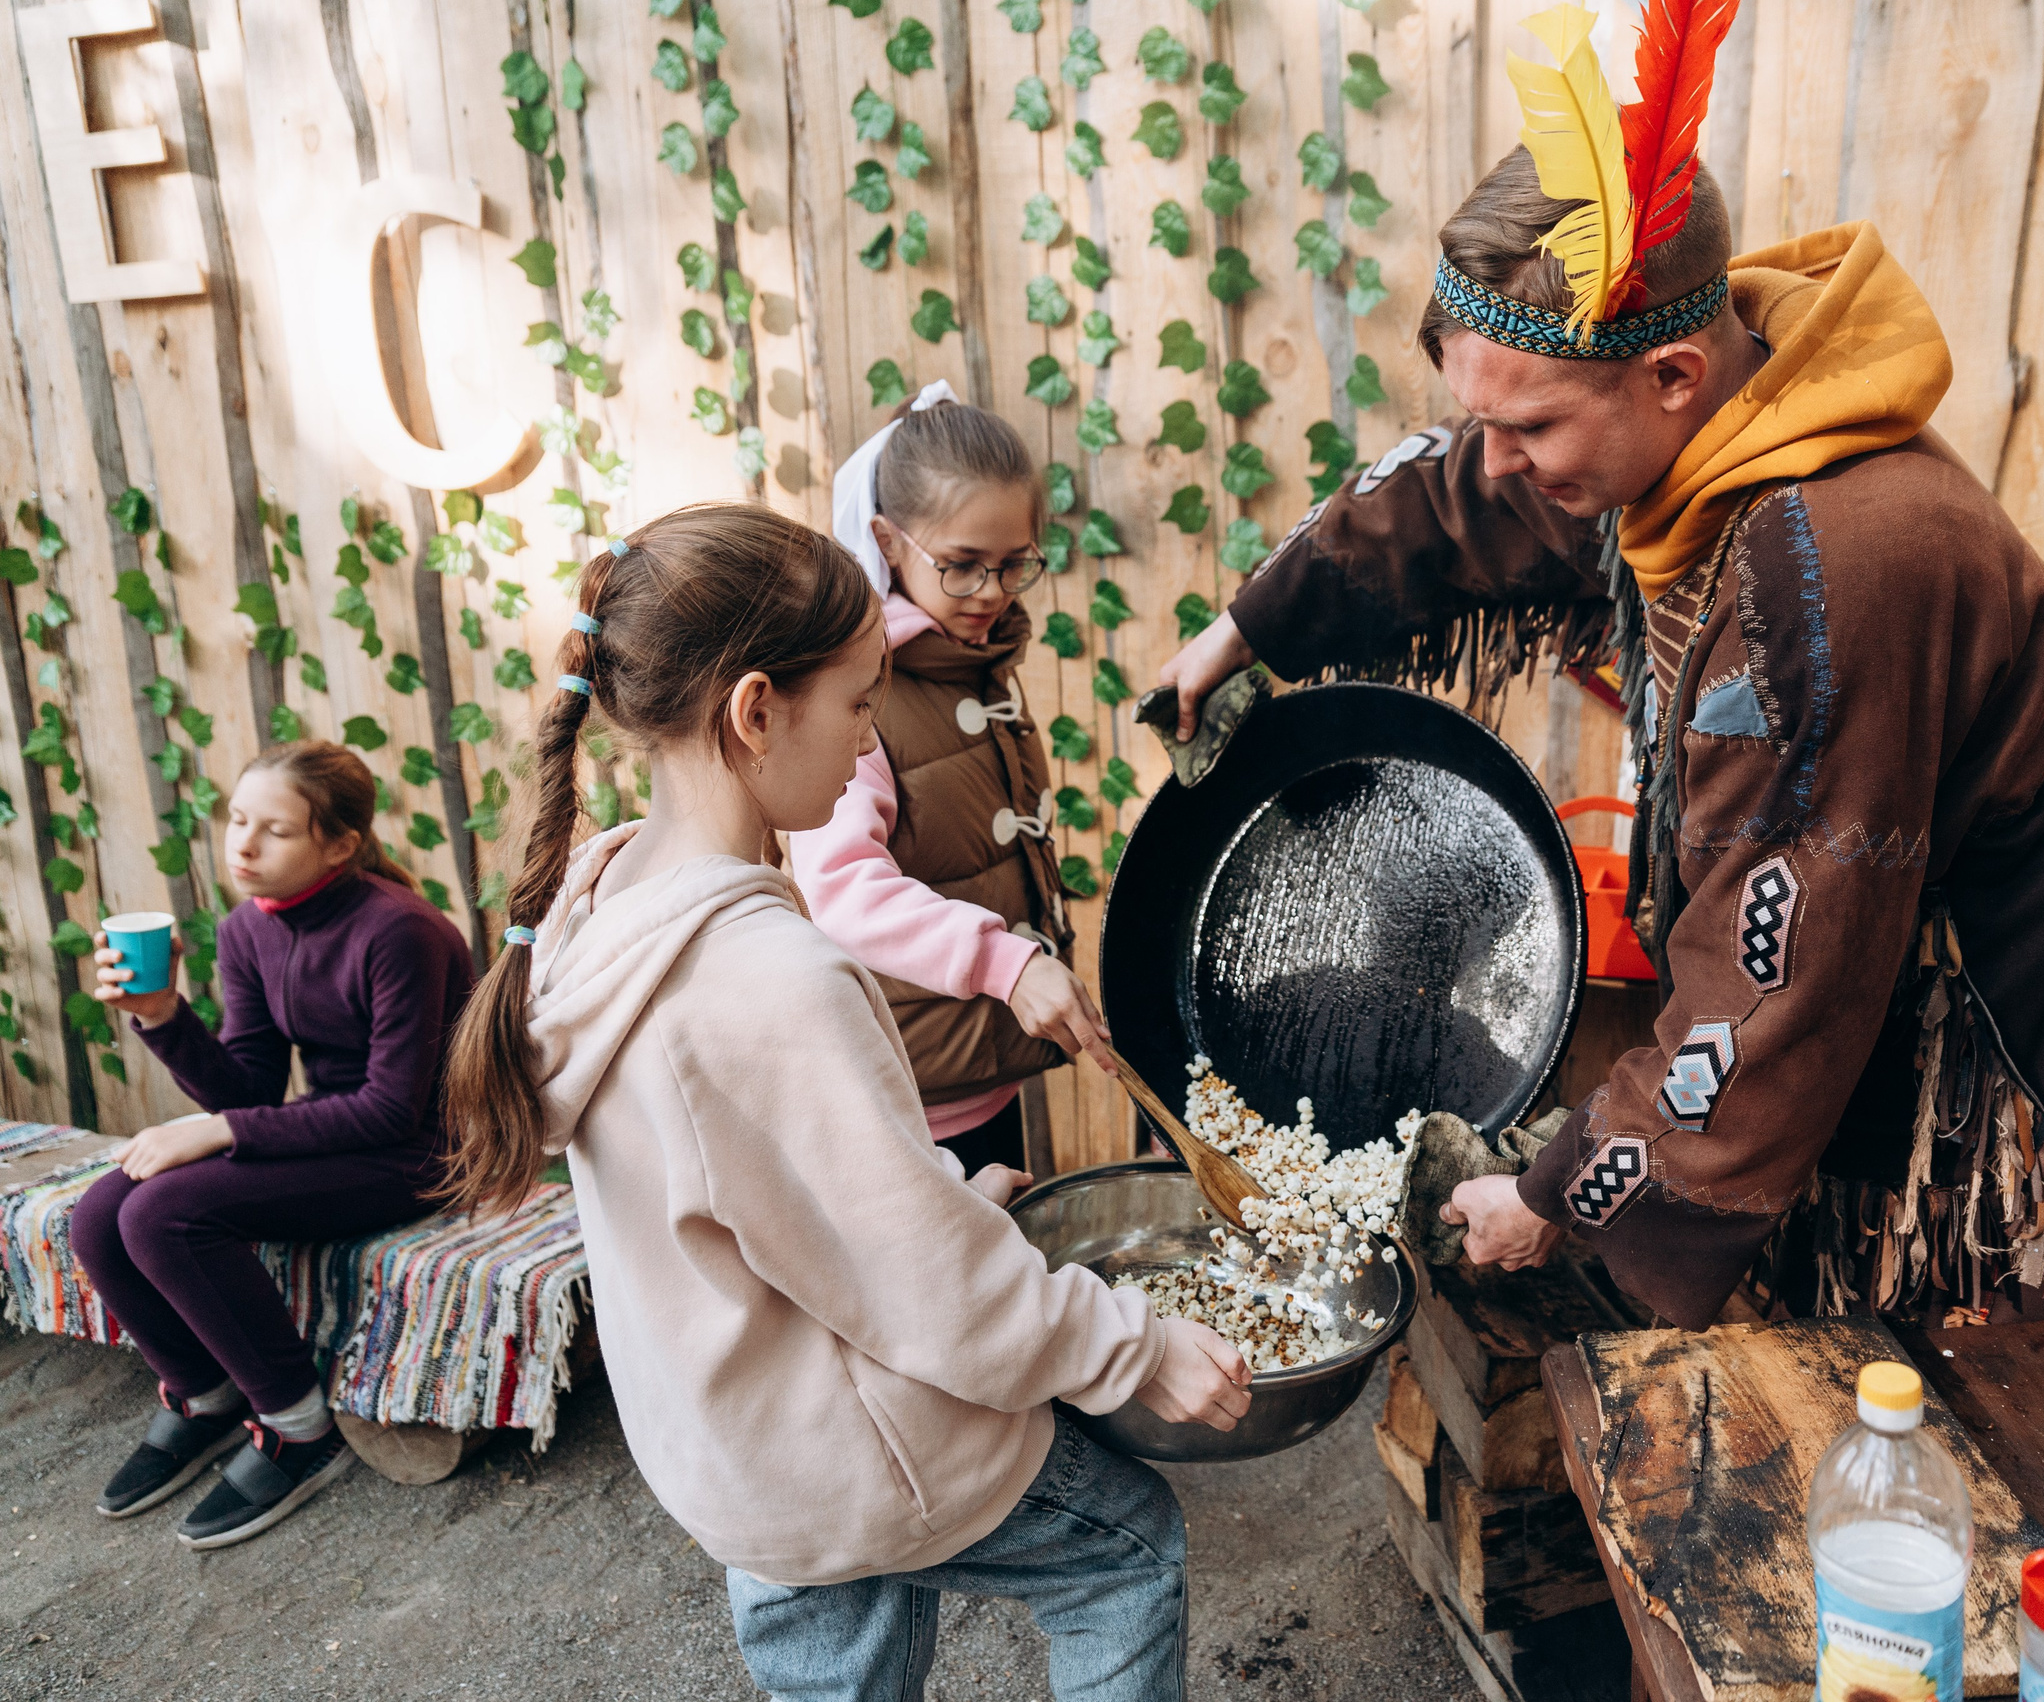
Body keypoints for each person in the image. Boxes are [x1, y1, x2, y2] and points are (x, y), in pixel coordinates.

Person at [1160, 16, 2044, 1333]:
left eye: (1528, 423)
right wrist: (1245, 628)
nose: (1497, 460)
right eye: (1488, 416)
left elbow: (1778, 969)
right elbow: (1455, 495)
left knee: (1919, 1348)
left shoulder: (1836, 575)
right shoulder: (1693, 422)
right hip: (1852, 907)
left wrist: (1560, 1191)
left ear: (1669, 374)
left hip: (1983, 995)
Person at [439, 504, 1248, 1701]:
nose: (870, 735)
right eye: (860, 702)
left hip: (739, 1455)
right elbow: (934, 1292)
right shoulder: (769, 975)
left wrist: (942, 1192)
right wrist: (1133, 1348)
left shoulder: (599, 898)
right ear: (757, 711)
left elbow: (767, 1197)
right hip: (851, 1449)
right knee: (1123, 1553)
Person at [75, 741, 476, 1546]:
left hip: (419, 1155)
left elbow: (392, 1111)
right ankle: (203, 1391)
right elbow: (252, 1089)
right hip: (332, 1135)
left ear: (339, 844)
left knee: (163, 1213)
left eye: (276, 830)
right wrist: (162, 1015)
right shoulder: (245, 930)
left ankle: (299, 1426)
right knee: (99, 1213)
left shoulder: (401, 932)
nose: (244, 845)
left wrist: (219, 1132)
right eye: (237, 821)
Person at [796, 381, 1111, 1179]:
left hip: (980, 1064)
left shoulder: (972, 661)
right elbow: (843, 888)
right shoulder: (861, 691)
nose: (994, 593)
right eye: (963, 567)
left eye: (1015, 566)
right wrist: (1006, 963)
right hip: (907, 1090)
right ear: (887, 541)